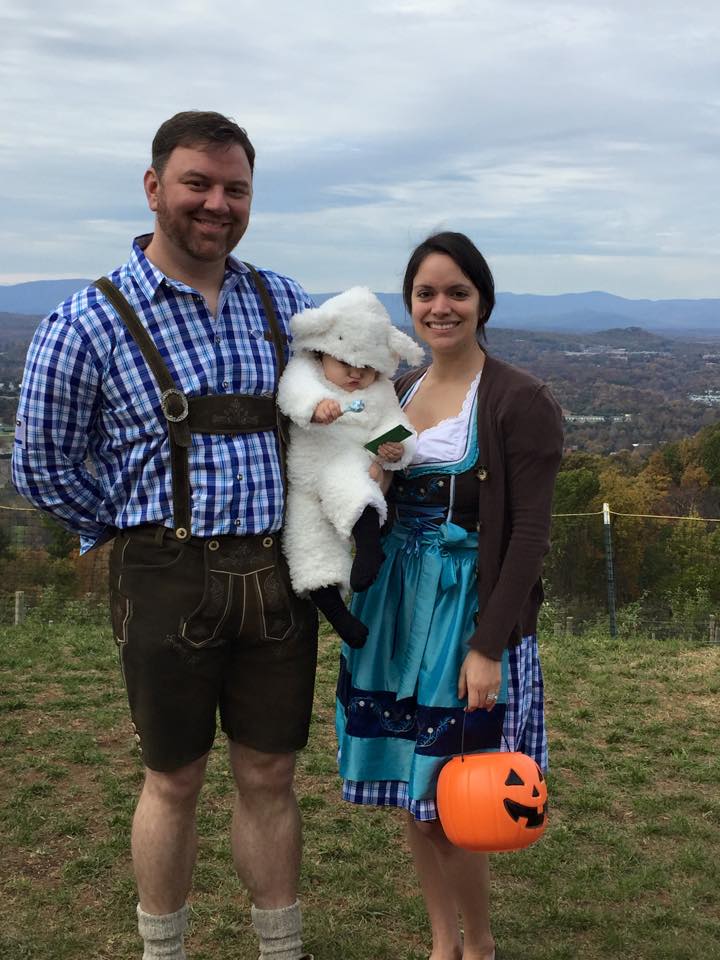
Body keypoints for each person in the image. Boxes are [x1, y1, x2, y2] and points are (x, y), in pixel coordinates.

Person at [13, 111, 318, 960]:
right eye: (198, 184)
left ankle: (280, 949)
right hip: (165, 574)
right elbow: (42, 463)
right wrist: (134, 528)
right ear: (154, 188)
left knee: (270, 775)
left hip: (277, 574)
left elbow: (350, 407)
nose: (216, 204)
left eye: (235, 189)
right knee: (173, 779)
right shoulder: (87, 321)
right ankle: (164, 952)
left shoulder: (284, 302)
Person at [335, 232, 564, 960]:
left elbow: (527, 536)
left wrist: (488, 646)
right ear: (410, 306)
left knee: (457, 798)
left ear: (483, 302)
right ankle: (442, 945)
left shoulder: (517, 400)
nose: (441, 306)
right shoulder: (396, 391)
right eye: (426, 294)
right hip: (399, 611)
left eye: (457, 292)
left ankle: (483, 946)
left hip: (465, 614)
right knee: (416, 793)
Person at [276, 286, 422, 648]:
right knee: (307, 545)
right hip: (306, 476)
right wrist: (314, 406)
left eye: (367, 368)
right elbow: (292, 394)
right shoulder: (306, 373)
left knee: (349, 484)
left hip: (347, 460)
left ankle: (368, 544)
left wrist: (395, 448)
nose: (356, 375)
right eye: (347, 364)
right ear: (325, 352)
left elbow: (394, 423)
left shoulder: (380, 391)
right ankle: (337, 614)